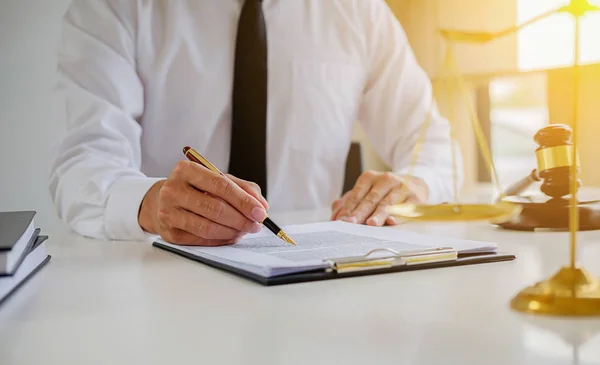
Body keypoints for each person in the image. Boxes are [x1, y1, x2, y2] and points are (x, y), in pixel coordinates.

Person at [49, 0, 463, 246]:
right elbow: (85, 163)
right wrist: (149, 204)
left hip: (313, 274)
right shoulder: (115, 8)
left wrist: (415, 183)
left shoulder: (360, 12)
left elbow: (432, 143)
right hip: (163, 273)